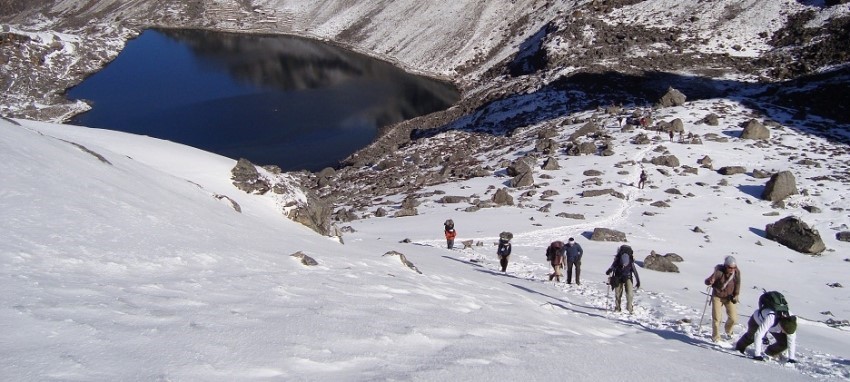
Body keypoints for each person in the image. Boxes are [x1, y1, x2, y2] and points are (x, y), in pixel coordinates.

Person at [734, 292, 798, 363]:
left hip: (774, 326)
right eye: (785, 331)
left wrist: (791, 358)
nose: (784, 333)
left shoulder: (791, 321)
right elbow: (759, 334)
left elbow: (791, 340)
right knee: (751, 338)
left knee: (784, 343)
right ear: (782, 326)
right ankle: (739, 348)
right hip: (757, 321)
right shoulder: (771, 317)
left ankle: (769, 352)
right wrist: (757, 355)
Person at [704, 255, 741, 343]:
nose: (732, 269)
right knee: (717, 318)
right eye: (730, 267)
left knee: (733, 318)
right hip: (717, 296)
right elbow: (707, 281)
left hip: (729, 297)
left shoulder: (736, 273)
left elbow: (738, 283)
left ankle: (728, 330)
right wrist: (710, 281)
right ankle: (716, 336)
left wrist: (736, 294)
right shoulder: (719, 272)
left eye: (734, 267)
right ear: (725, 266)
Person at [606, 245, 640, 313]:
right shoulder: (627, 261)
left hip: (621, 277)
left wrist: (609, 271)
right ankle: (628, 308)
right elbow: (635, 271)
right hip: (626, 277)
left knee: (618, 293)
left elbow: (612, 267)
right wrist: (638, 281)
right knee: (629, 293)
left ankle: (619, 307)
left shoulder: (619, 260)